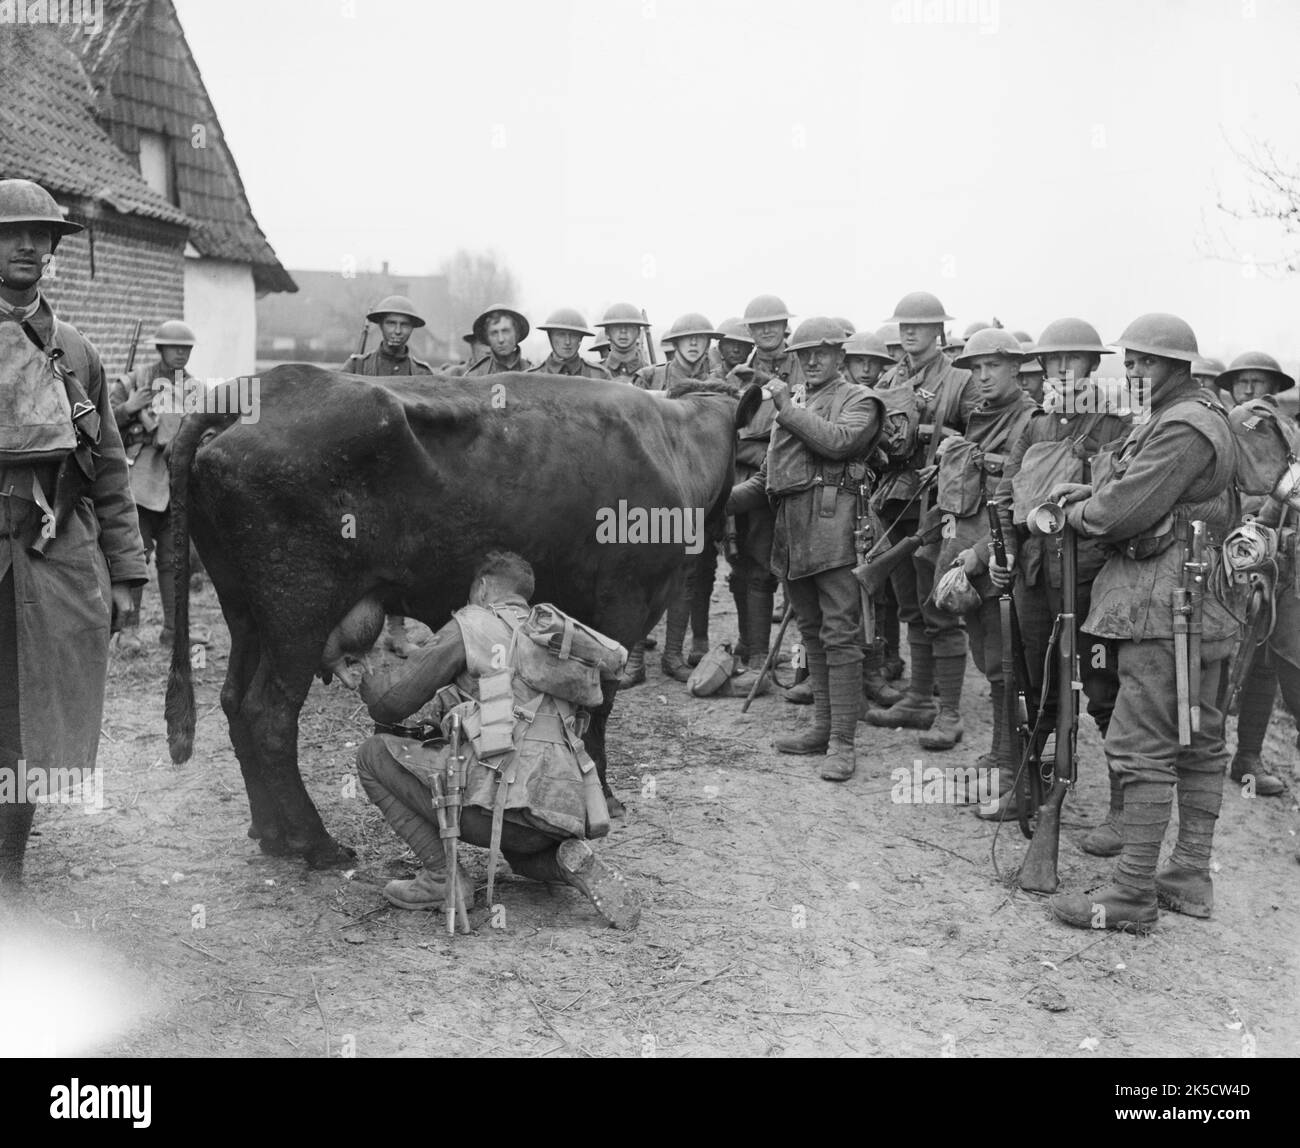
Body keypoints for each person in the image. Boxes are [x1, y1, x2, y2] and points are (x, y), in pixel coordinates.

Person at [1048, 313, 1241, 933]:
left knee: (1140, 745)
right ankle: (1187, 876)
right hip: (1195, 602)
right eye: (1129, 361)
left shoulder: (1183, 426)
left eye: (1147, 362)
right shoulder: (1184, 417)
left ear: (1179, 367)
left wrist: (1077, 511)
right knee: (1200, 742)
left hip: (1166, 609)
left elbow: (1121, 511)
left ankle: (1133, 893)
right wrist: (1093, 499)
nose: (1133, 371)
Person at [352, 551, 640, 928]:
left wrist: (367, 678)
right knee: (519, 853)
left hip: (500, 807)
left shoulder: (473, 623)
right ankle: (565, 862)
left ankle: (442, 878)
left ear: (483, 587)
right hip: (564, 809)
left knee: (372, 755)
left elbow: (392, 703)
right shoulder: (556, 639)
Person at [0, 178, 148, 892]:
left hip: (50, 562)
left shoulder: (75, 353)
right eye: (11, 233)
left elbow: (109, 471)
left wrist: (123, 574)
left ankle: (9, 865)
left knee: (33, 716)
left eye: (41, 236)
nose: (27, 246)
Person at [983, 317, 1130, 833]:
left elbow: (1126, 497)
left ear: (1093, 365)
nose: (1063, 369)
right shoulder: (1036, 424)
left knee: (1103, 686)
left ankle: (1121, 813)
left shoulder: (1118, 423)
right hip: (1033, 572)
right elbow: (1005, 493)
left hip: (1092, 577)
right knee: (1032, 681)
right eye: (1053, 360)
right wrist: (1002, 552)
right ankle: (1031, 788)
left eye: (1074, 359)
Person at [729, 317, 883, 781]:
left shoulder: (859, 400)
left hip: (836, 529)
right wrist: (715, 504)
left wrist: (783, 407)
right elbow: (768, 478)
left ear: (841, 356)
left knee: (840, 634)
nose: (812, 360)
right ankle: (821, 728)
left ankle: (842, 743)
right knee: (812, 633)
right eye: (805, 353)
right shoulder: (795, 401)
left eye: (823, 352)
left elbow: (838, 444)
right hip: (793, 532)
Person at [864, 291, 977, 750]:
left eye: (920, 325)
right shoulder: (890, 376)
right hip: (894, 500)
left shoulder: (961, 380)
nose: (909, 332)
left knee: (940, 606)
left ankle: (948, 711)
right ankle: (916, 698)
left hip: (939, 503)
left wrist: (936, 435)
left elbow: (979, 438)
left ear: (939, 332)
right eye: (904, 325)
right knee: (910, 606)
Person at [933, 328, 1039, 797]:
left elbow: (1019, 497)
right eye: (976, 368)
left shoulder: (1029, 420)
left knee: (1005, 663)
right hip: (967, 546)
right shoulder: (980, 416)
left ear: (1016, 368)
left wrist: (986, 554)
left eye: (992, 366)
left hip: (1001, 554)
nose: (983, 376)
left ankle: (1011, 757)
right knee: (986, 656)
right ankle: (1001, 751)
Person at [1218, 353, 1298, 798]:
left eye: (1259, 382)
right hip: (1217, 558)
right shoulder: (1223, 429)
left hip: (1272, 565)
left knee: (1264, 662)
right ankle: (1199, 753)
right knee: (1210, 657)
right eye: (1243, 383)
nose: (1250, 390)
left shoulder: (1289, 436)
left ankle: (1247, 756)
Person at [109, 320, 211, 652]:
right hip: (138, 482)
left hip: (176, 484)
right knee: (135, 557)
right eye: (174, 347)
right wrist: (129, 408)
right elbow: (101, 422)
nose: (181, 353)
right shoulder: (134, 382)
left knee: (174, 559)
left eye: (186, 348)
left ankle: (174, 631)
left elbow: (210, 431)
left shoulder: (195, 390)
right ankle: (128, 631)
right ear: (160, 349)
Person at [633, 314, 725, 677]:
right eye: (686, 338)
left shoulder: (719, 384)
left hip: (694, 489)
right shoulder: (648, 379)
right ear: (673, 342)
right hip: (649, 489)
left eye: (700, 338)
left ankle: (672, 657)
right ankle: (636, 659)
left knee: (686, 575)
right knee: (642, 572)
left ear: (707, 343)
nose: (693, 344)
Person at [341, 295, 435, 376]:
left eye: (404, 324)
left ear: (412, 328)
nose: (398, 331)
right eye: (391, 323)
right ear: (381, 326)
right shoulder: (356, 366)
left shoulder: (422, 373)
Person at [527, 309, 612, 379]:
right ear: (550, 336)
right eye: (561, 335)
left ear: (581, 338)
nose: (567, 342)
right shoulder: (531, 377)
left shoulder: (600, 375)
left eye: (574, 335)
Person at [464, 304, 531, 375]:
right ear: (487, 338)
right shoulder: (476, 375)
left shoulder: (532, 372)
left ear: (517, 334)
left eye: (506, 331)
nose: (501, 339)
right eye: (494, 333)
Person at [595, 302, 651, 379]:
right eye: (616, 326)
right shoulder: (594, 373)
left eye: (630, 326)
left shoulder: (652, 374)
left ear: (638, 333)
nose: (623, 331)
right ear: (607, 333)